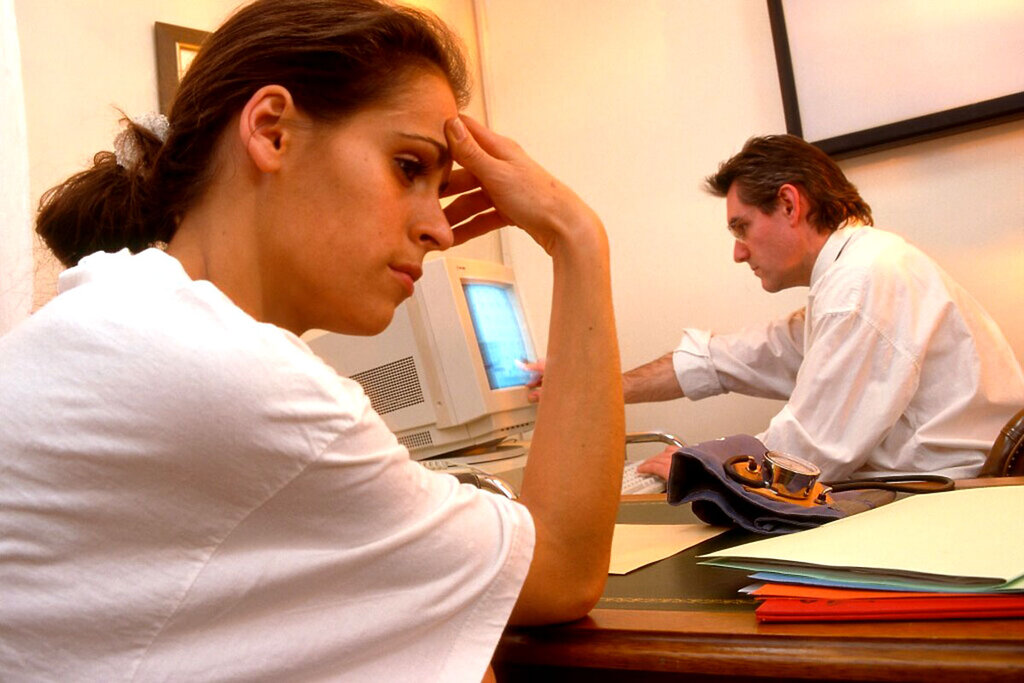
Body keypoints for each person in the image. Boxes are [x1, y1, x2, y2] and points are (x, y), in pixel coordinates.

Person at [0, 1, 624, 681]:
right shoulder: (226, 372)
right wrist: (577, 237)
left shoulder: (126, 312)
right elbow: (560, 569)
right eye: (409, 166)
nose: (440, 229)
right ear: (272, 132)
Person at [627, 134, 1024, 484]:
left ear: (788, 204)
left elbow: (805, 458)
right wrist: (607, 390)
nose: (738, 252)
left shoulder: (861, 282)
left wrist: (702, 463)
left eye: (741, 227)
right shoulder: (851, 276)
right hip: (934, 489)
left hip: (953, 497)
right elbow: (727, 359)